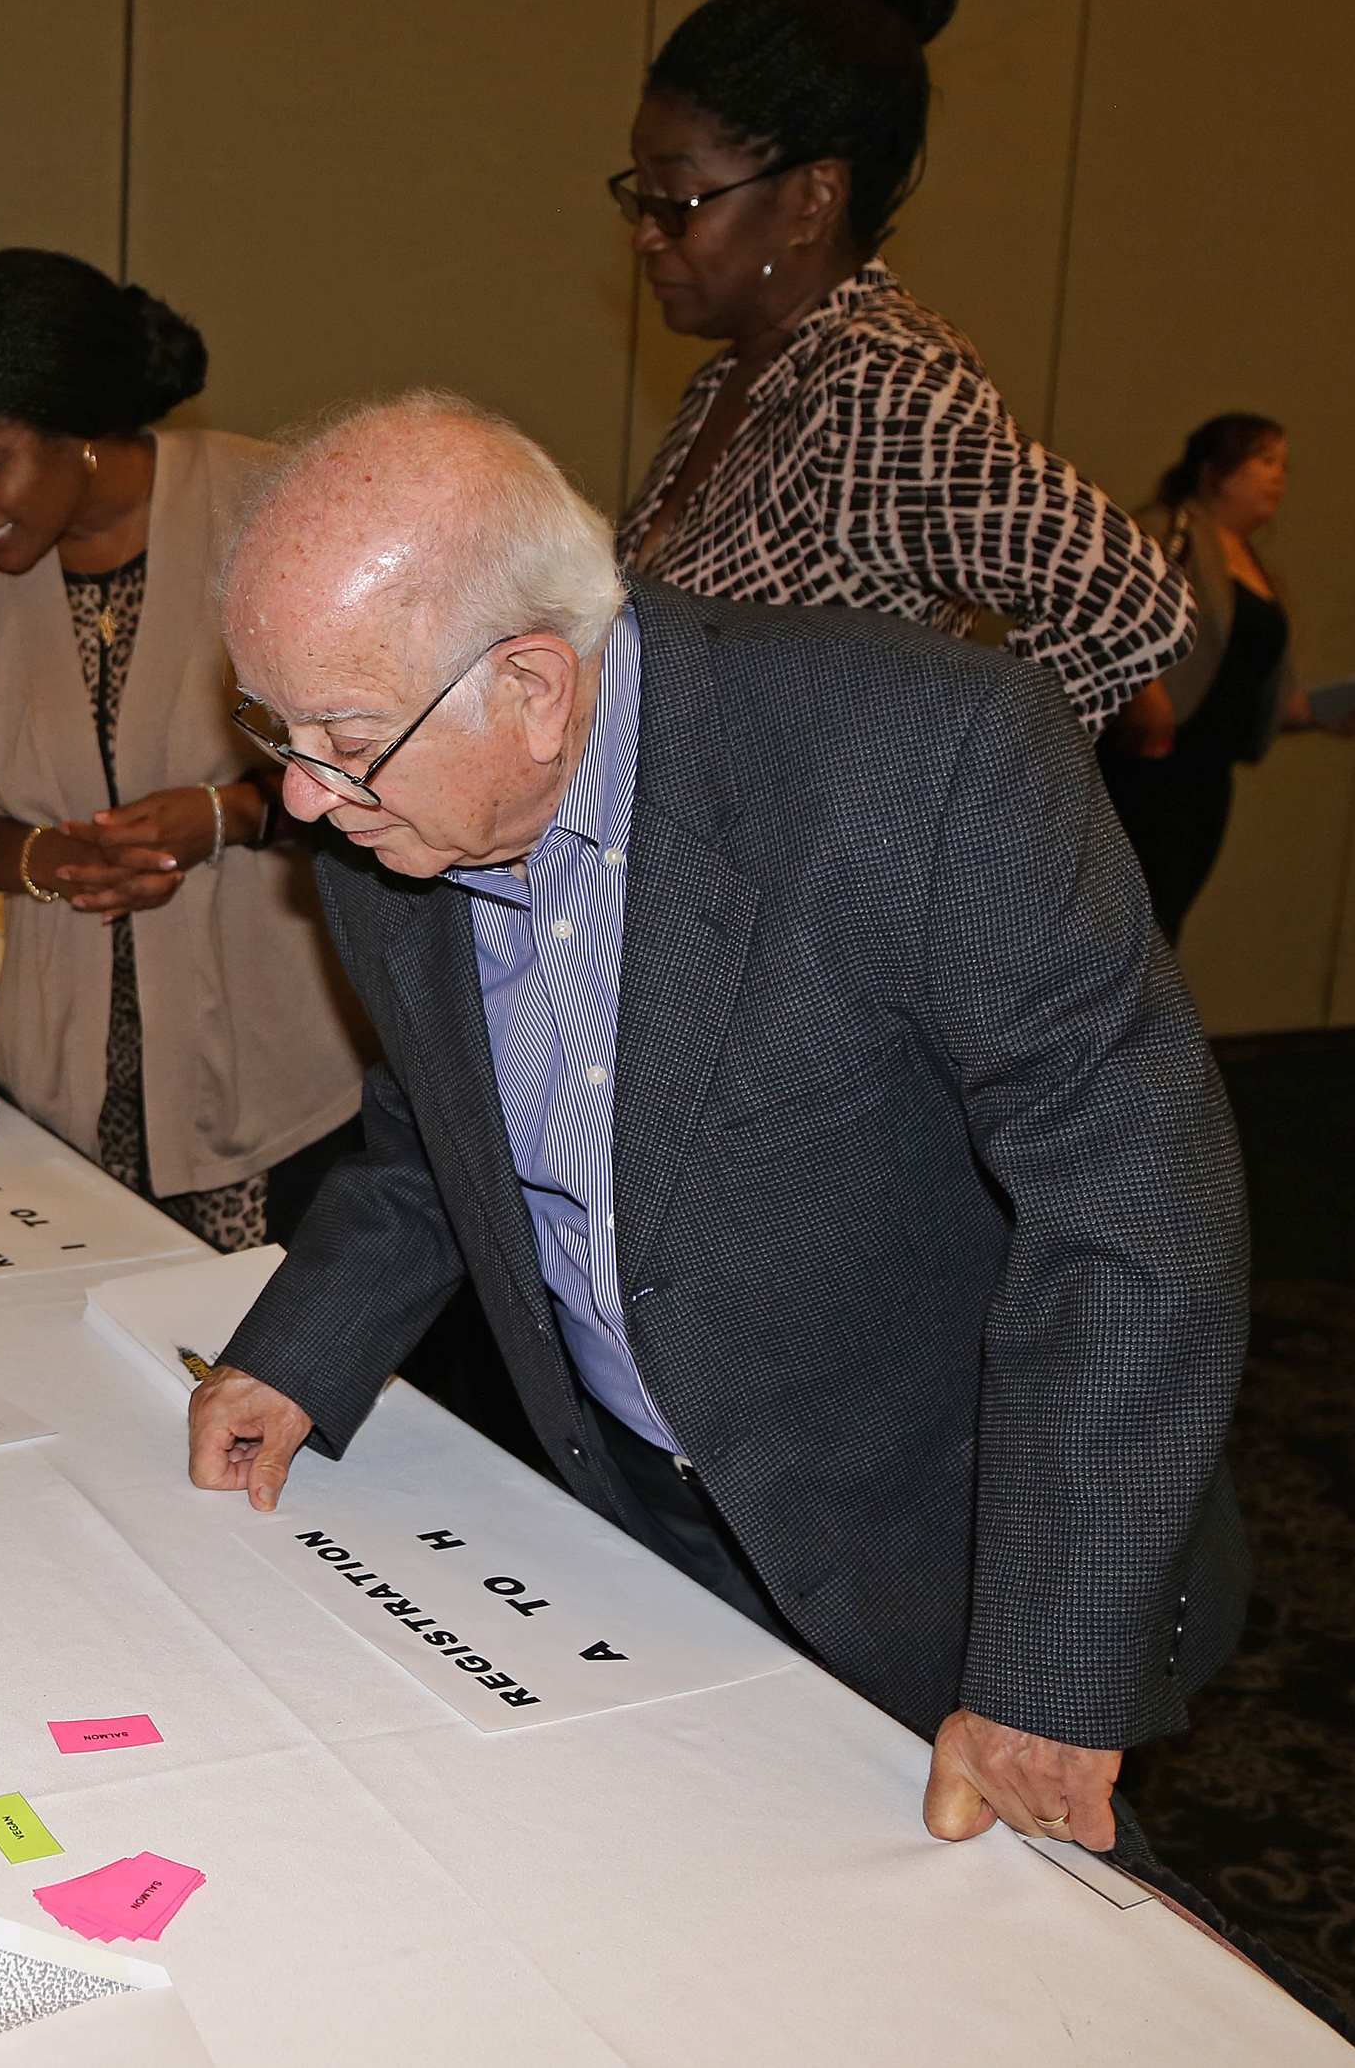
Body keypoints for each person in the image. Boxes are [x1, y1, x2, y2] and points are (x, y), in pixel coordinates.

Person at [193, 391, 1249, 1864]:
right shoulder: (400, 818)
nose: (304, 797)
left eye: (344, 737)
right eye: (281, 730)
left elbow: (1136, 1216)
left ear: (535, 688)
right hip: (627, 1509)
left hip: (940, 1548)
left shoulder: (920, 753)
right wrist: (300, 1346)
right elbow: (441, 1131)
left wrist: (1044, 1670)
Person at [614, 0, 1190, 727]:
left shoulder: (875, 381)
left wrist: (919, 801)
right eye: (640, 196)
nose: (644, 233)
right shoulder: (730, 381)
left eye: (677, 200)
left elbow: (1130, 601)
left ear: (812, 198)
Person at [0, 247, 366, 1251]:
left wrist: (226, 813)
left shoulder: (268, 509)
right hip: (60, 1080)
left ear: (77, 433)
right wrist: (44, 859)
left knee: (235, 1377)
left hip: (265, 1083)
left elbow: (367, 760)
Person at [1101, 415, 1355, 940]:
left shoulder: (1253, 562)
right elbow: (1106, 616)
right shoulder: (1169, 530)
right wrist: (1146, 693)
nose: (1280, 478)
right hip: (1146, 763)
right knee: (1124, 928)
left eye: (1285, 467)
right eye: (1265, 462)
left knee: (1161, 927)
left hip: (1206, 775)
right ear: (1216, 470)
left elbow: (1238, 682)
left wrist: (1315, 712)